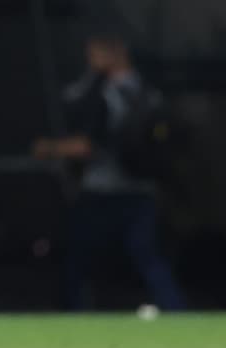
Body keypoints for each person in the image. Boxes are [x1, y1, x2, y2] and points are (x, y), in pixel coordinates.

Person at [35, 33, 185, 312]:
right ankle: (176, 310)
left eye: (94, 54)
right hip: (143, 189)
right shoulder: (150, 92)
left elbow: (88, 145)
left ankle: (70, 316)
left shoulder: (105, 94)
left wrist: (50, 148)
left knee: (77, 259)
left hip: (103, 191)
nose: (91, 61)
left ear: (113, 52)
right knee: (149, 258)